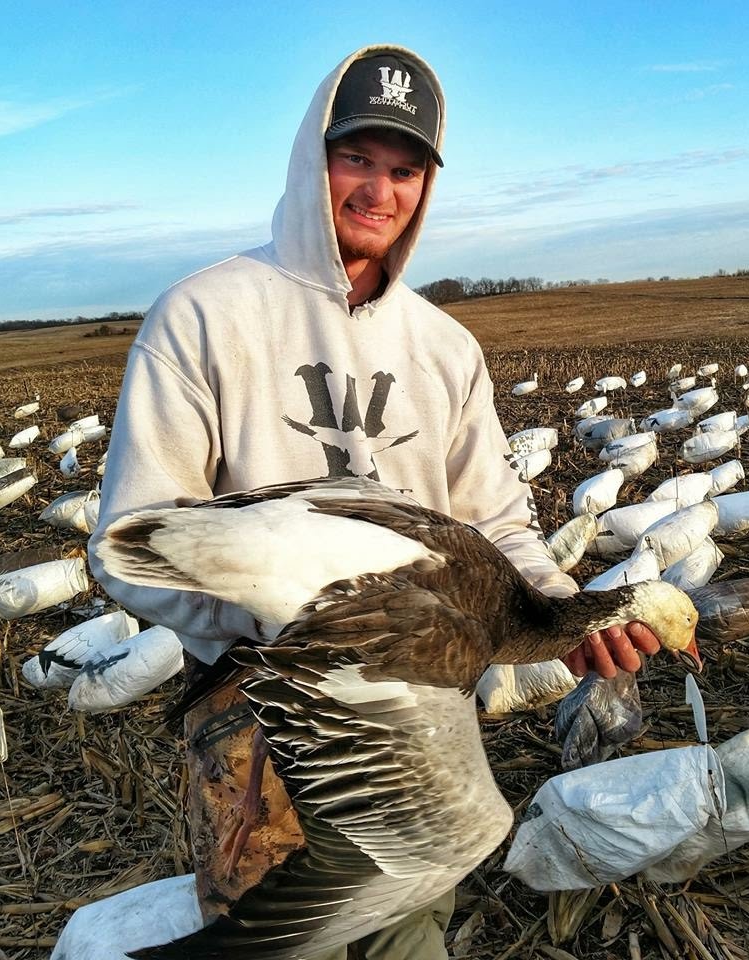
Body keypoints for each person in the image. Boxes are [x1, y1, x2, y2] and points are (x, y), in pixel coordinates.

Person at [89, 44, 660, 960]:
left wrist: (562, 612)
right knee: (283, 933)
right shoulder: (204, 315)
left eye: (404, 169)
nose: (379, 190)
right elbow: (133, 542)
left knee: (408, 914)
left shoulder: (444, 348)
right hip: (256, 701)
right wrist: (303, 642)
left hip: (423, 688)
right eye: (356, 158)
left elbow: (498, 523)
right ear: (312, 158)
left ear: (427, 186)